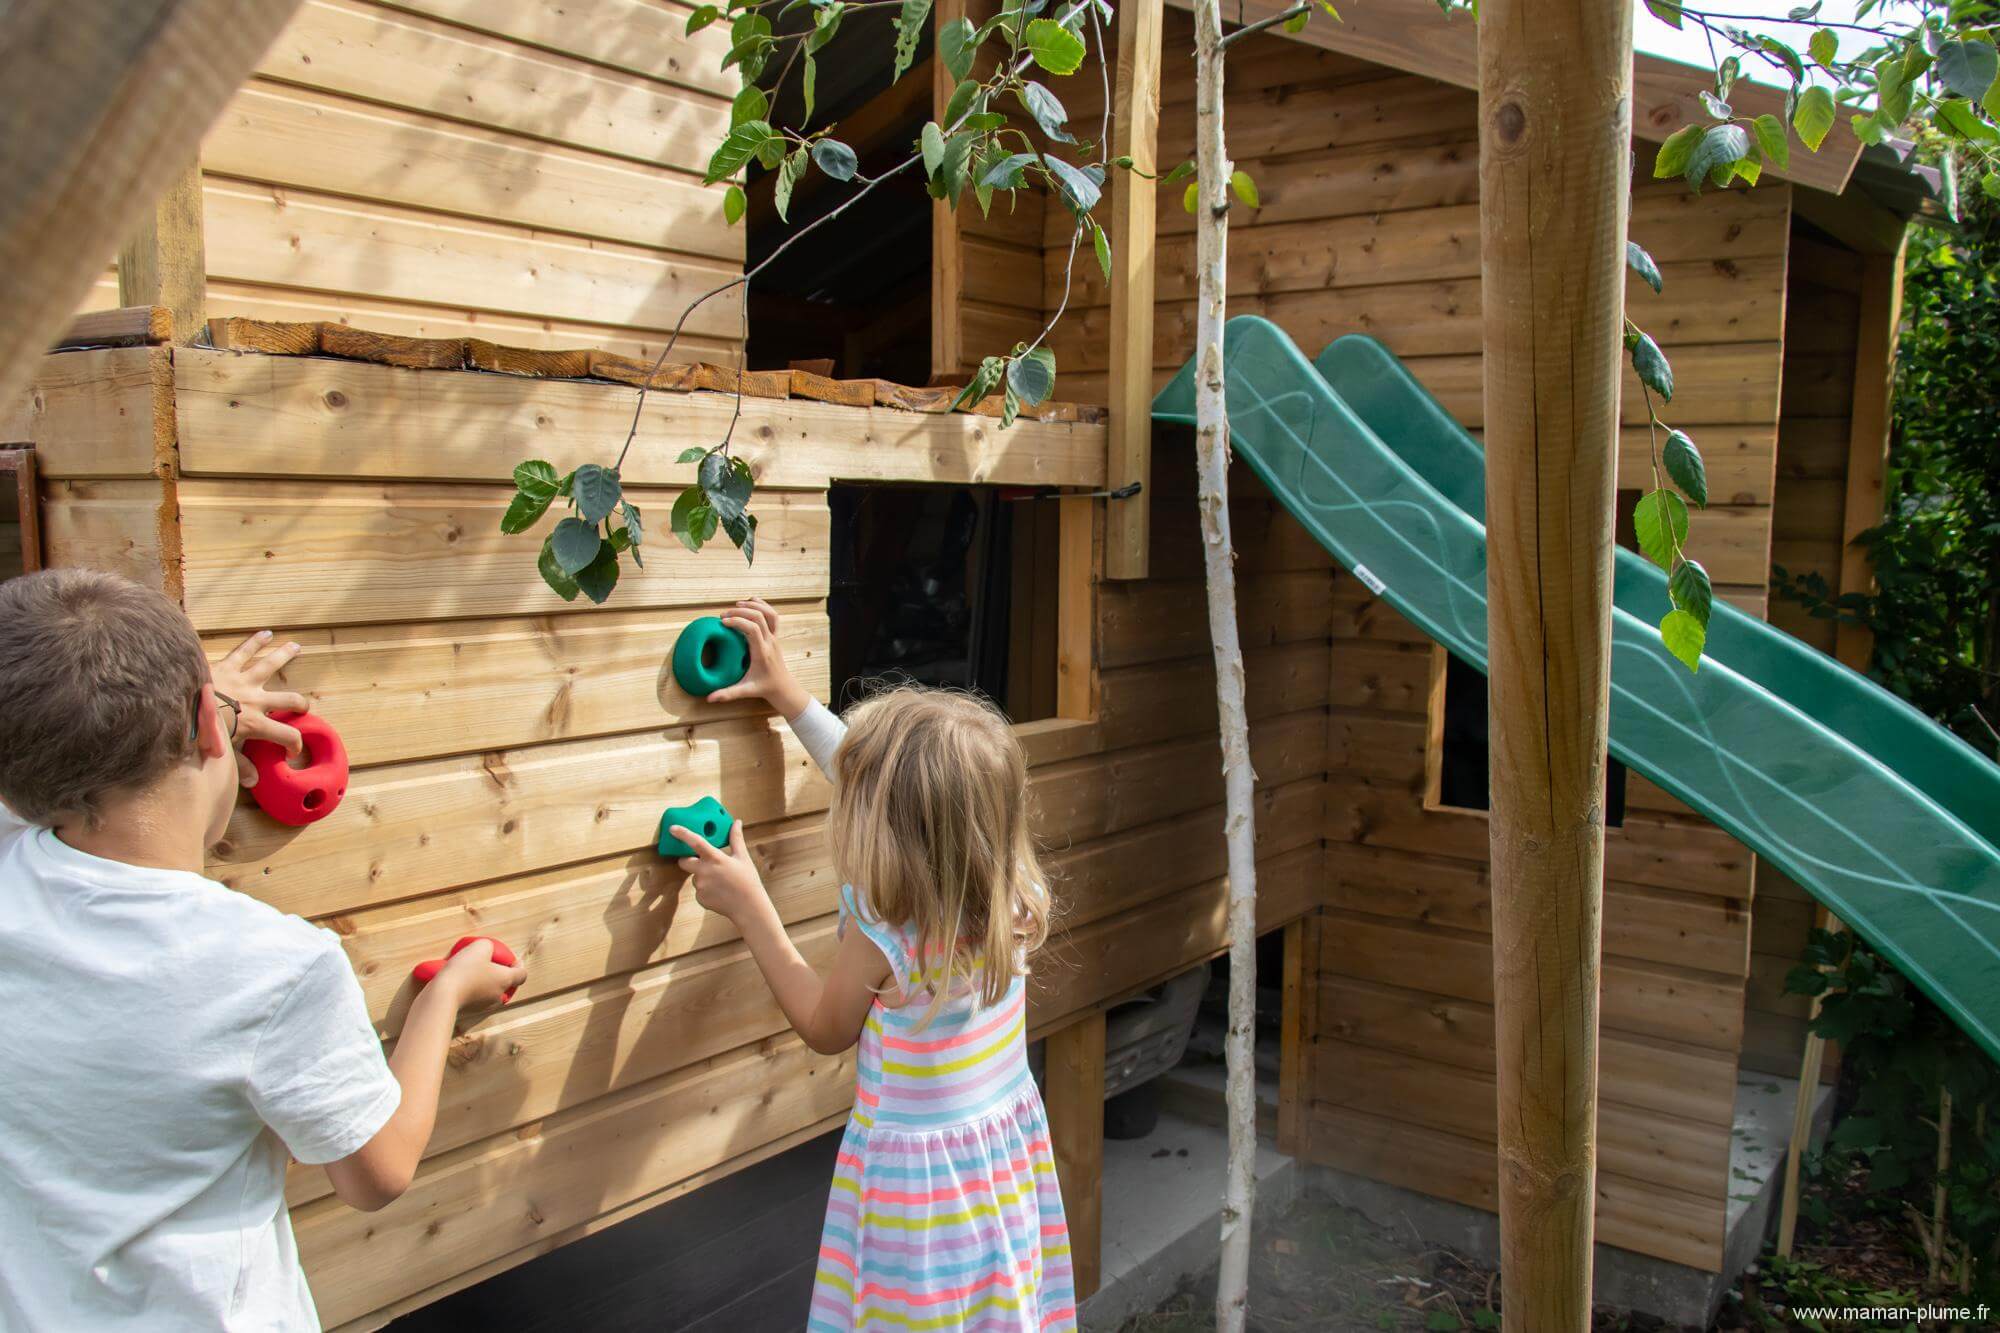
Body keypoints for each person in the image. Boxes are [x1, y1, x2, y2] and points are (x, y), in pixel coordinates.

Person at [0, 569, 526, 1330]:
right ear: (215, 728)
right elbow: (376, 1172)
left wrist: (175, 704)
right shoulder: (274, 965)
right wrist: (446, 993)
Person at [674, 598, 1076, 1333]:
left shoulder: (890, 928)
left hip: (919, 1207)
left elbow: (827, 1027)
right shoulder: (1006, 886)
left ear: (894, 830)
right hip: (994, 1176)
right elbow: (892, 790)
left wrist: (750, 904)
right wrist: (790, 697)